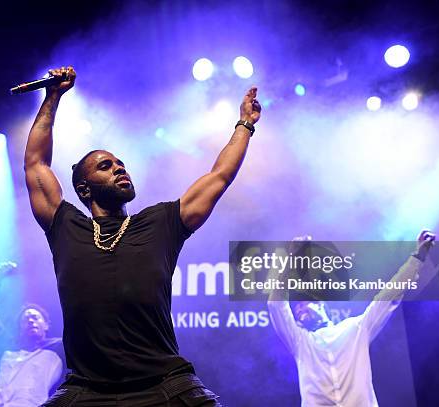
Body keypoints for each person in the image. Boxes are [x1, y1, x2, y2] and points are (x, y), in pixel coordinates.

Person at [23, 66, 261, 405]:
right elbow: (35, 163)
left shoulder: (161, 222)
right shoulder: (64, 225)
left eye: (121, 163)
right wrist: (53, 97)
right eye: (105, 166)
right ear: (83, 188)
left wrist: (245, 125)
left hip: (166, 386)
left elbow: (220, 176)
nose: (119, 167)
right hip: (86, 391)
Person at [267, 230, 436, 407]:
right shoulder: (300, 341)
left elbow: (388, 296)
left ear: (322, 306)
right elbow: (275, 304)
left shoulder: (354, 329)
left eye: (305, 304)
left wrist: (417, 258)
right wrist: (292, 259)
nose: (300, 310)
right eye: (297, 310)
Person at [0, 304, 63, 407]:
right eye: (25, 320)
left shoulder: (58, 347)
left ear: (46, 325)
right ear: (20, 329)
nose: (30, 321)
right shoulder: (8, 355)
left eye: (35, 317)